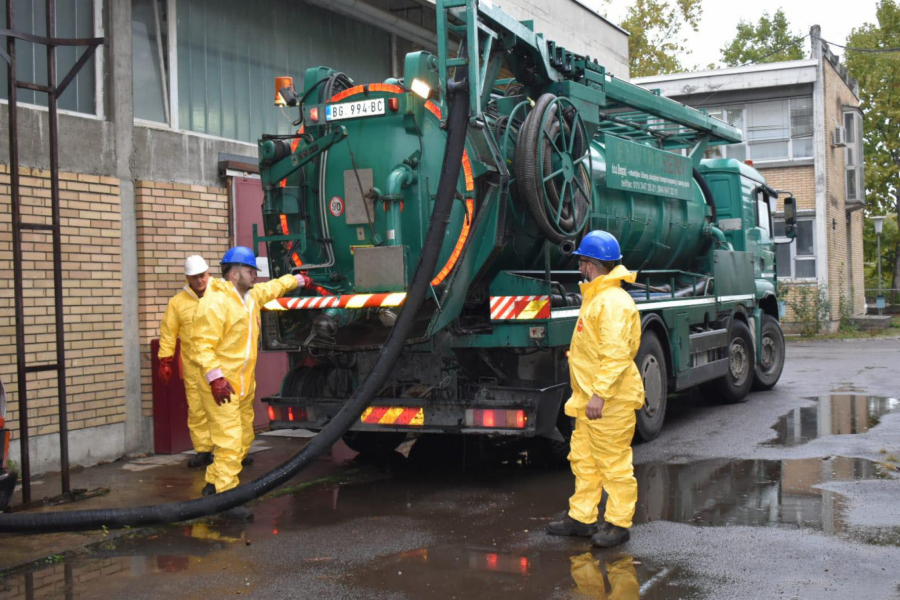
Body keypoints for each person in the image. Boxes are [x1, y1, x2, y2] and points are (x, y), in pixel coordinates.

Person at [192, 246, 310, 517]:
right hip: (221, 386)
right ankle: (226, 499)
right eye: (249, 270)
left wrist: (299, 280)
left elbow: (272, 288)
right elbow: (202, 345)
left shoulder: (250, 297)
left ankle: (213, 481)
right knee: (230, 441)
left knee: (244, 437)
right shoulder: (215, 303)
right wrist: (215, 379)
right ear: (233, 274)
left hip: (242, 386)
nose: (255, 275)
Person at [547, 230, 644, 548]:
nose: (579, 268)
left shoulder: (612, 303)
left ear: (591, 264)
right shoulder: (600, 299)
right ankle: (582, 518)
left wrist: (600, 395)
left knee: (614, 464)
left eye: (582, 262)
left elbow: (615, 354)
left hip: (609, 402)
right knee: (585, 460)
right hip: (591, 400)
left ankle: (618, 524)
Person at [158, 255, 216, 469]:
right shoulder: (178, 303)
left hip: (220, 363)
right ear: (188, 278)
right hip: (193, 365)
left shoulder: (221, 295)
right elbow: (168, 332)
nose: (200, 281)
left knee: (229, 407)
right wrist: (165, 360)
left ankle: (235, 449)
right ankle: (203, 450)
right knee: (197, 408)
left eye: (203, 276)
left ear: (208, 273)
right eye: (195, 277)